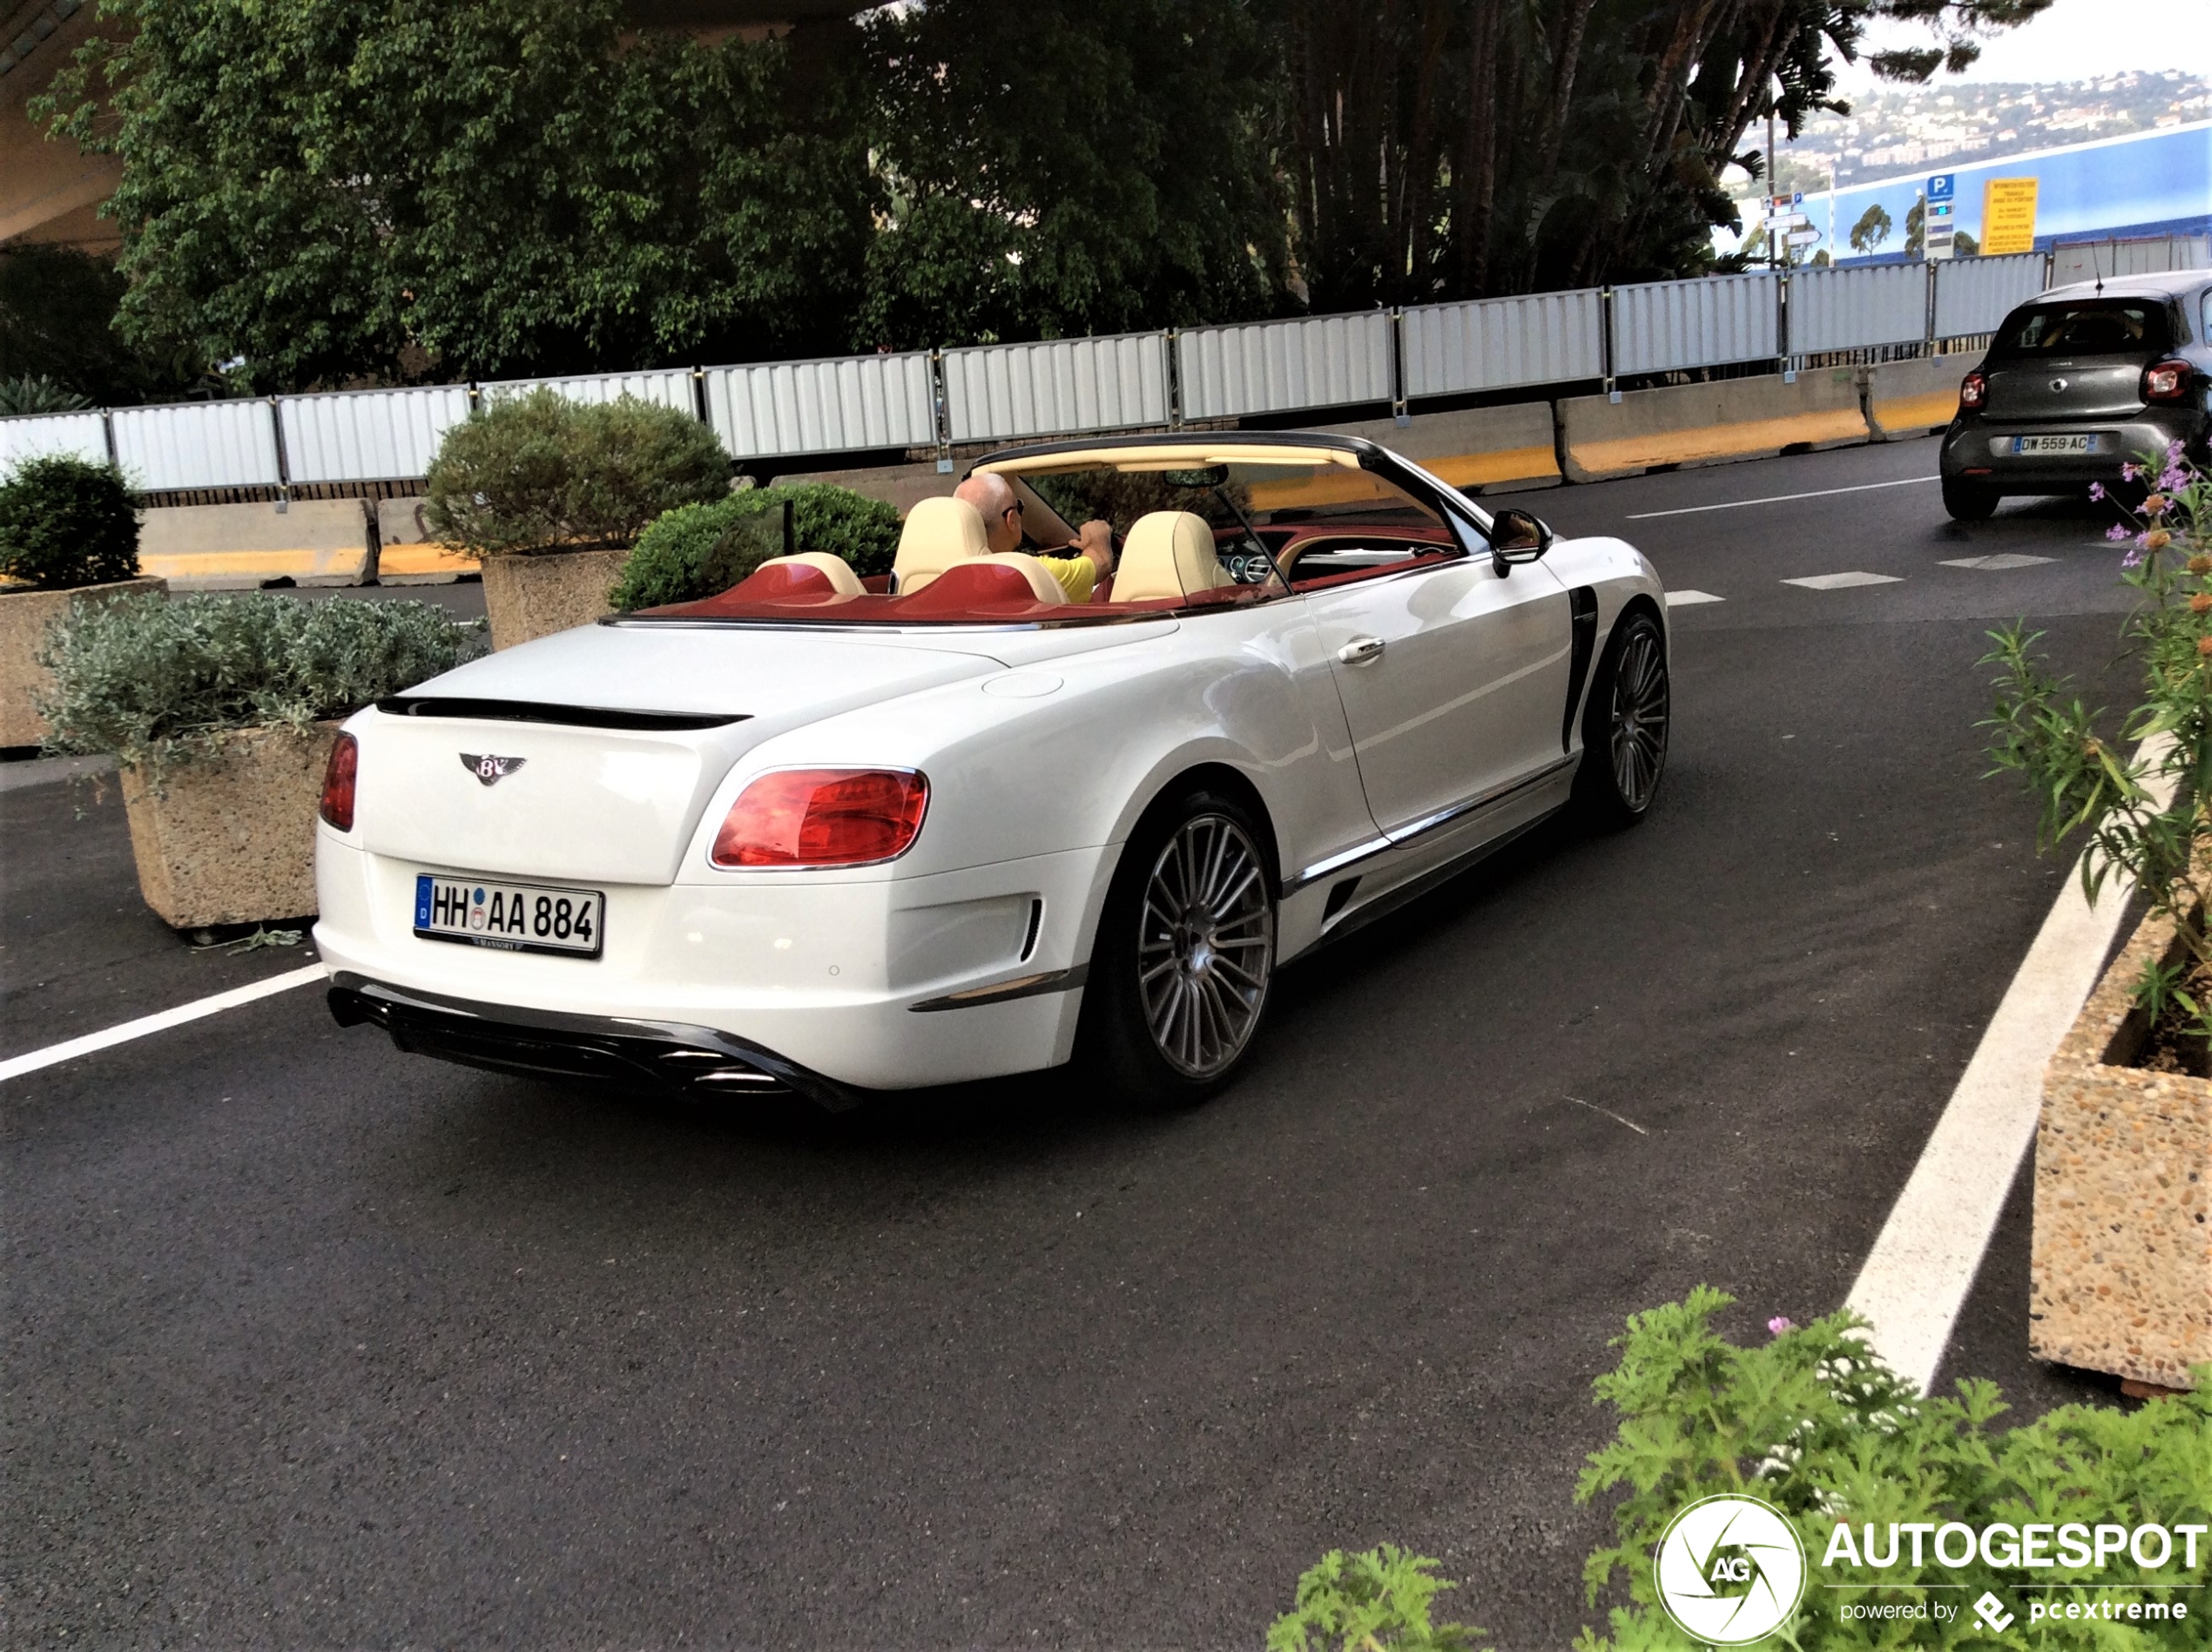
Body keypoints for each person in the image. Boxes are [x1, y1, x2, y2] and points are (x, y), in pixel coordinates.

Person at [952, 472, 1113, 602]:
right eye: (1019, 507)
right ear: (1012, 520)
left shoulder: (937, 573)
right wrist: (1099, 533)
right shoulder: (1033, 573)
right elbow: (1102, 563)